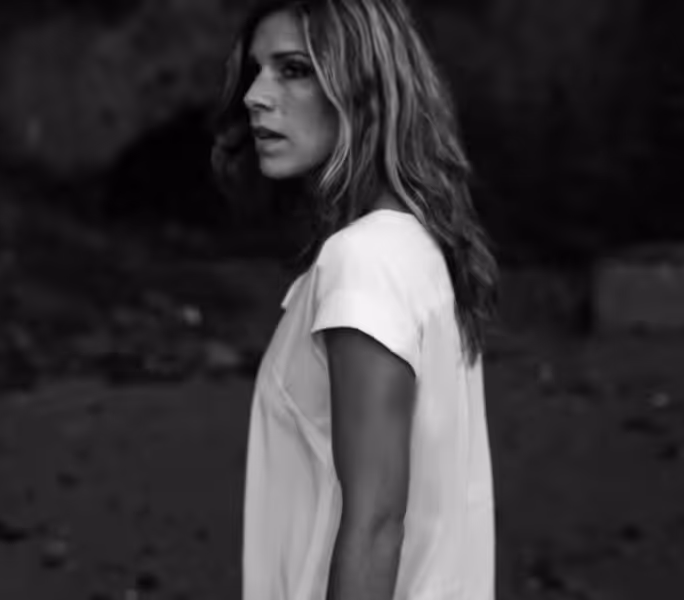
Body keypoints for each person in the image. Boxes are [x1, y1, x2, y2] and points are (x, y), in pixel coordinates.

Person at [210, 0, 499, 598]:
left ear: (364, 88)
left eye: (294, 69)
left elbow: (377, 524)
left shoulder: (364, 262)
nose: (255, 96)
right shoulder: (413, 247)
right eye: (257, 72)